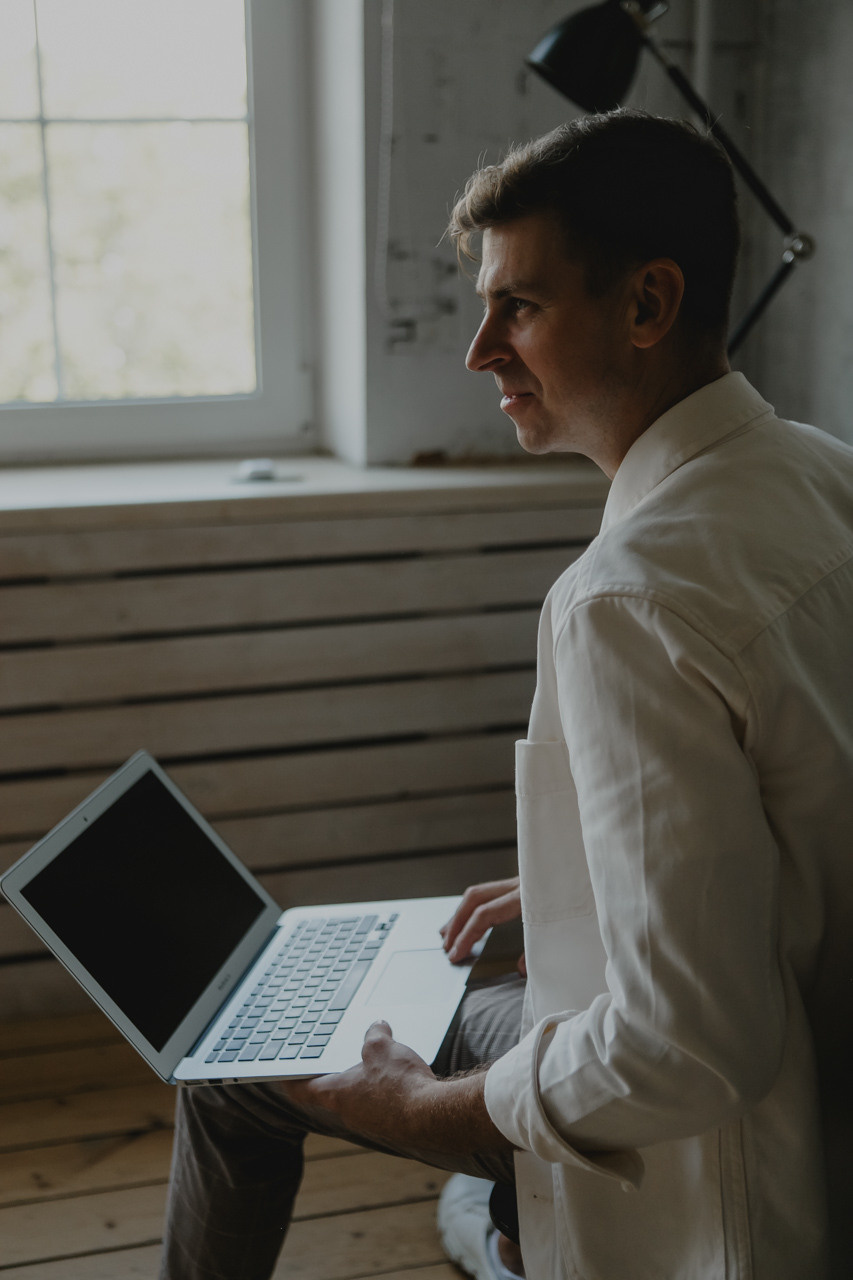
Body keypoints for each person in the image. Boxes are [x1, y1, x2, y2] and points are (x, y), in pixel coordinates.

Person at [159, 110, 853, 1280]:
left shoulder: (625, 601)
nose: (478, 349)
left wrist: (420, 1104)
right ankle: (502, 1216)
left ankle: (498, 1209)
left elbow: (686, 1046)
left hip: (734, 1180)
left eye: (517, 306)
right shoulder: (823, 473)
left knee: (237, 1068)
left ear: (646, 304)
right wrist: (592, 880)